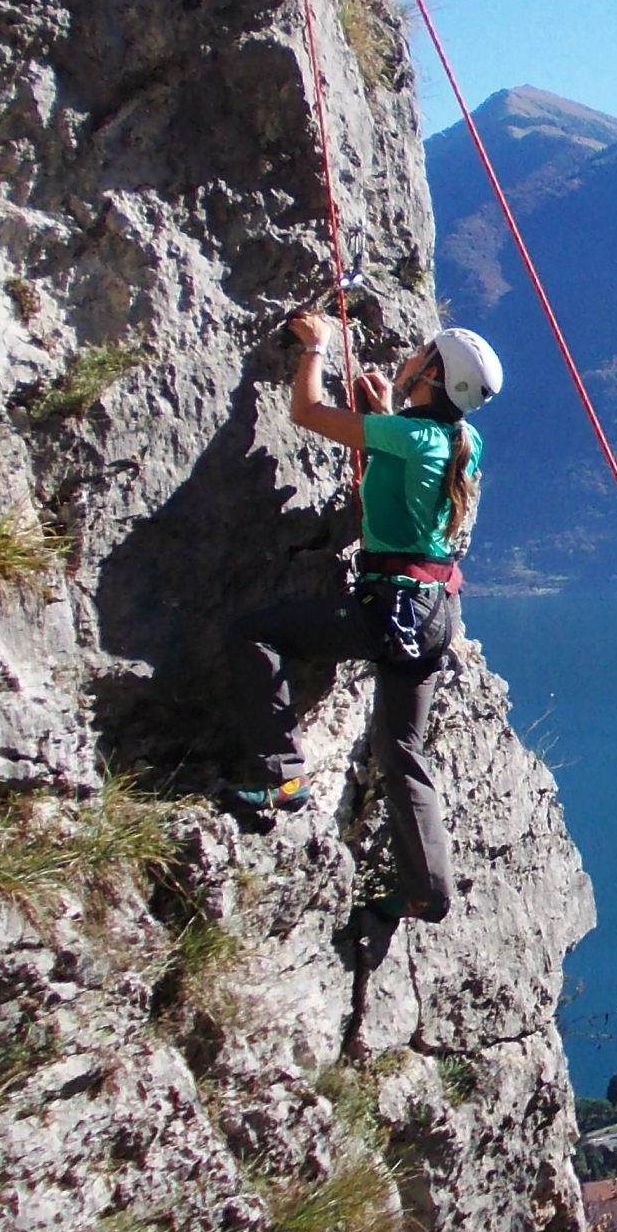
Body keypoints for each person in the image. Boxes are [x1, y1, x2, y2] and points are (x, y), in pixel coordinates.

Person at [232, 312, 503, 940]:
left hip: (391, 610)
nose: (409, 356)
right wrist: (386, 413)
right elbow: (415, 450)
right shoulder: (463, 440)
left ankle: (281, 777)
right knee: (401, 749)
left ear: (433, 375)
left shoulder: (411, 437)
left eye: (420, 354)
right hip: (435, 615)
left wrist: (316, 349)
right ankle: (426, 895)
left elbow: (305, 413)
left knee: (256, 634)